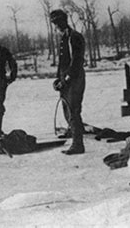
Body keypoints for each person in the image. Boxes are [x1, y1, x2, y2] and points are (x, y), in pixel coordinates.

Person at [50, 9, 86, 155]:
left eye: (56, 23)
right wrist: (58, 79)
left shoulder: (74, 37)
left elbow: (76, 61)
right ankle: (75, 138)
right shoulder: (64, 38)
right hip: (66, 78)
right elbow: (62, 63)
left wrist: (67, 78)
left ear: (62, 22)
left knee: (73, 110)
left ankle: (78, 145)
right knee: (67, 110)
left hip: (75, 78)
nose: (55, 26)